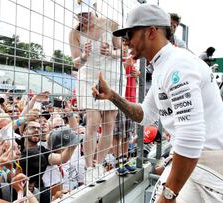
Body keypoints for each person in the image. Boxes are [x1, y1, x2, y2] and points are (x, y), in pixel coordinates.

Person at [92, 4, 223, 203]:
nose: (125, 41)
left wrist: (168, 196)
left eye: (130, 33)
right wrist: (112, 96)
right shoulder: (165, 65)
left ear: (151, 32)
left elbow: (191, 137)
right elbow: (146, 115)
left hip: (206, 168)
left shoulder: (177, 65)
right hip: (196, 162)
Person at [69, 0, 124, 181]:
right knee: (92, 121)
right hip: (88, 77)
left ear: (94, 8)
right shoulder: (75, 33)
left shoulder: (111, 24)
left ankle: (99, 164)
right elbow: (75, 62)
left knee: (109, 123)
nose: (83, 17)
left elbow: (123, 51)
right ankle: (89, 168)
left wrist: (111, 53)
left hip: (111, 76)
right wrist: (84, 56)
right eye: (79, 14)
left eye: (86, 13)